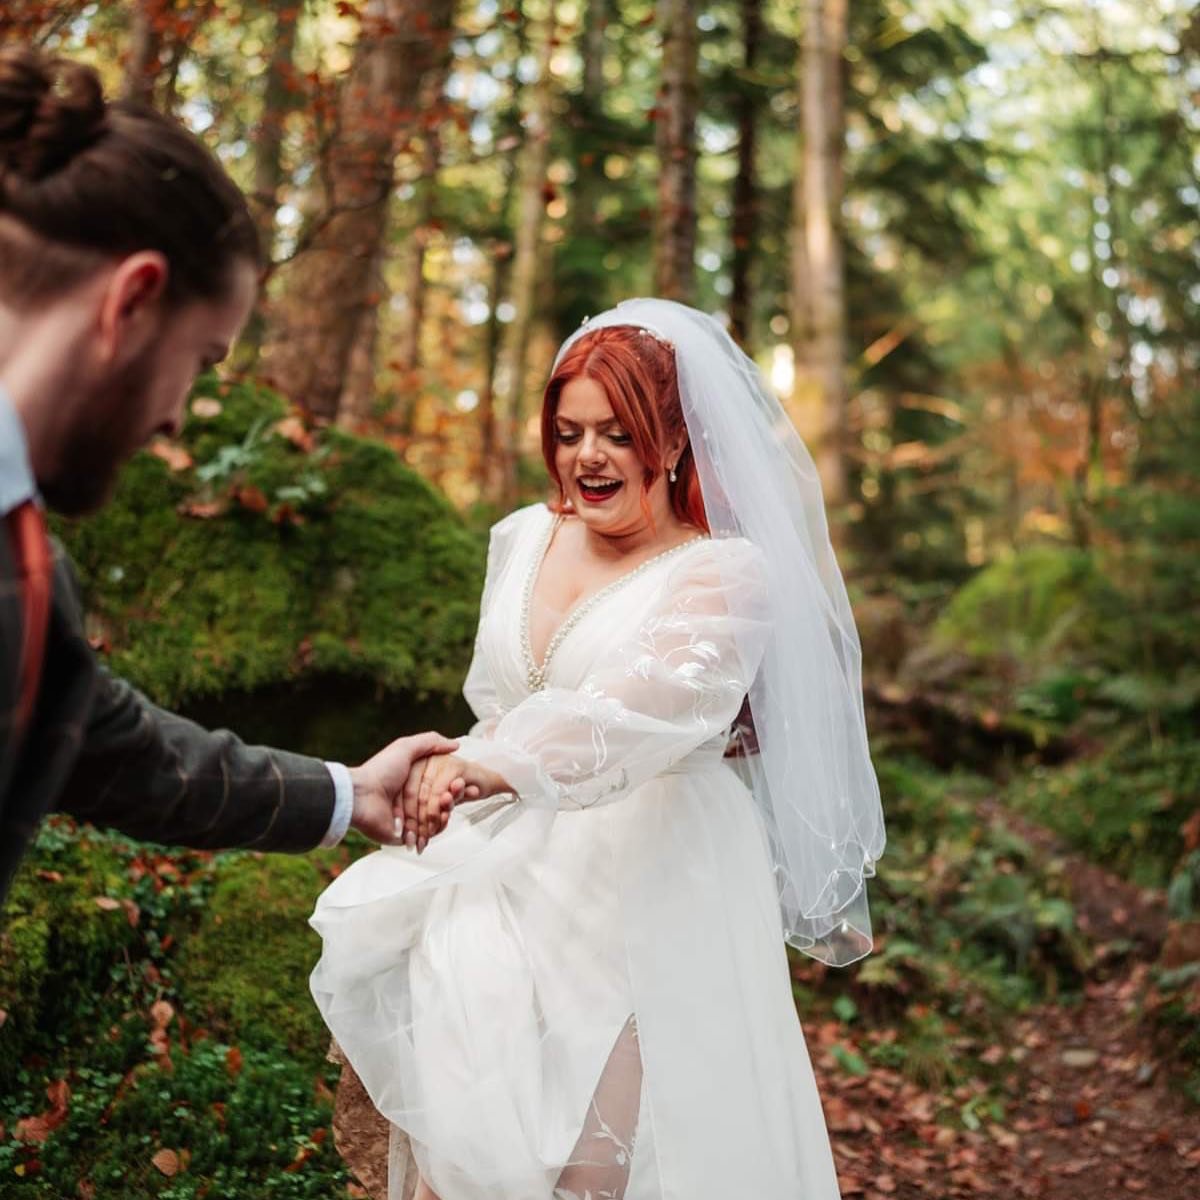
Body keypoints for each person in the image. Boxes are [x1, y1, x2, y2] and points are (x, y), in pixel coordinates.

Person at [310, 299, 887, 1200]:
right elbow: (498, 701)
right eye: (571, 431)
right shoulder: (520, 537)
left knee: (596, 1169)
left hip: (656, 880)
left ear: (674, 442)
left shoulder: (725, 575)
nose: (589, 457)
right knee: (464, 1157)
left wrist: (482, 767)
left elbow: (638, 712)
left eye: (619, 433)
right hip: (503, 869)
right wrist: (450, 764)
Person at [0, 45, 462, 904]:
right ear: (133, 299)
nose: (178, 415)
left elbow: (108, 749)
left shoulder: (30, 563)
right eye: (201, 359)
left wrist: (351, 792)